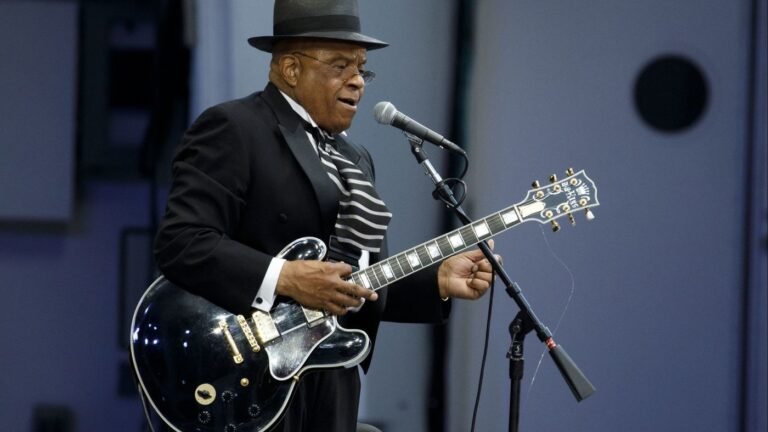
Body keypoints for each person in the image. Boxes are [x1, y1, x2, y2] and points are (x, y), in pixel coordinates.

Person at [153, 0, 496, 431]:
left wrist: (436, 282)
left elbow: (350, 284)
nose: (357, 81)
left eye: (362, 68)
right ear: (291, 69)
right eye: (340, 65)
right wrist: (287, 277)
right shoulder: (236, 128)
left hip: (330, 386)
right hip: (245, 380)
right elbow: (181, 241)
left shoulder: (356, 158)